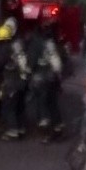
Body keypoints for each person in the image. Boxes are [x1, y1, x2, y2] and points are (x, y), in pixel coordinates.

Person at [24, 14, 65, 143]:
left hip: (41, 79)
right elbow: (61, 60)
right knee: (53, 103)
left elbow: (31, 63)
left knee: (42, 106)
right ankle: (58, 128)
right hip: (52, 78)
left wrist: (27, 73)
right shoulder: (50, 43)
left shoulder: (35, 43)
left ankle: (47, 134)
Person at [0, 19, 30, 140]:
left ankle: (12, 131)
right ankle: (21, 128)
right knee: (19, 106)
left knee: (9, 107)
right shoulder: (17, 45)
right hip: (22, 81)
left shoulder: (4, 49)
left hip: (11, 83)